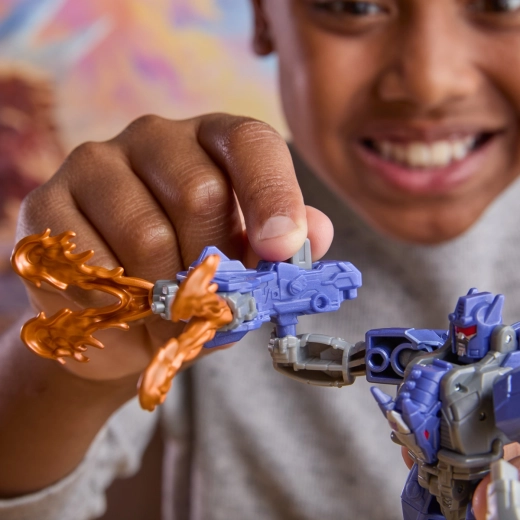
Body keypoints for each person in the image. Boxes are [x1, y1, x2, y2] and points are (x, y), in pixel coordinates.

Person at [1, 1, 520, 519]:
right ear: (264, 17)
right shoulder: (213, 223)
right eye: (354, 5)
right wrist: (80, 376)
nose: (431, 83)